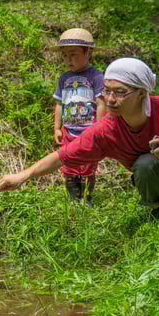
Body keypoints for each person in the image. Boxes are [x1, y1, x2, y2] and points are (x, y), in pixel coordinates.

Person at [0, 58, 159, 223]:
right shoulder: (107, 129)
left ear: (142, 93)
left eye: (120, 92)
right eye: (107, 91)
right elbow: (62, 156)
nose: (110, 99)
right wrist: (22, 176)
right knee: (145, 162)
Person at [51, 28, 106, 205]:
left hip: (89, 130)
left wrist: (99, 127)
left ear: (88, 53)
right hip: (69, 130)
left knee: (88, 165)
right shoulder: (64, 78)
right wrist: (57, 128)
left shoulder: (96, 77)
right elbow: (59, 104)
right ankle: (74, 200)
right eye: (65, 55)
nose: (69, 60)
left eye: (73, 54)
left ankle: (87, 199)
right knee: (69, 163)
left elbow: (102, 103)